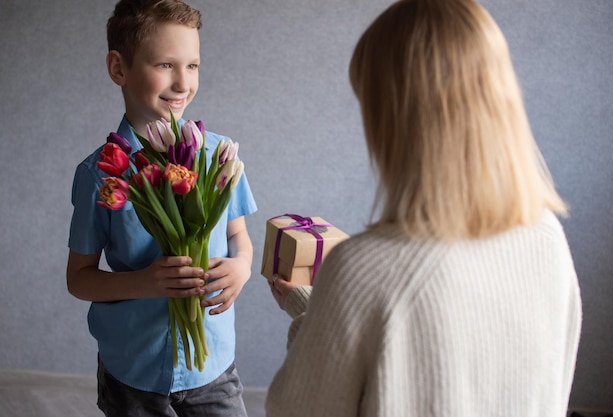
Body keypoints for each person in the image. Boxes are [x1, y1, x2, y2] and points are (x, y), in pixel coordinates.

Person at [266, 0, 582, 416]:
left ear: (392, 121)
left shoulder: (361, 267)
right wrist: (321, 309)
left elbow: (296, 409)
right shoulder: (547, 235)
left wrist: (316, 308)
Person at [66, 1, 257, 416]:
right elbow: (79, 279)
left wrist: (242, 266)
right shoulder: (101, 174)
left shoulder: (216, 154)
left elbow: (238, 236)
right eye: (165, 65)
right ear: (119, 69)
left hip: (212, 366)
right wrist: (146, 283)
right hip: (134, 369)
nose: (183, 83)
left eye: (193, 66)